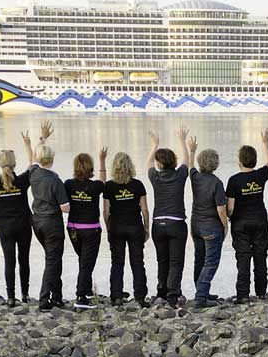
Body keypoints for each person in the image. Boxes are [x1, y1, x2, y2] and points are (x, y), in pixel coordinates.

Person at [24, 127, 71, 311]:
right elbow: (65, 208)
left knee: (53, 258)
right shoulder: (55, 180)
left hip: (37, 222)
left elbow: (33, 159)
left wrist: (41, 139)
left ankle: (57, 297)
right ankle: (44, 300)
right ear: (52, 160)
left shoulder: (33, 173)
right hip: (52, 224)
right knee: (52, 260)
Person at [226, 129, 268, 303]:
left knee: (243, 258)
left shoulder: (234, 180)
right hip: (260, 221)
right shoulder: (260, 175)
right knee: (261, 256)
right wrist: (265, 142)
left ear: (240, 162)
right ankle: (261, 292)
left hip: (241, 223)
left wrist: (229, 219)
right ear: (254, 161)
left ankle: (243, 294)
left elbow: (230, 208)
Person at [147, 128, 191, 307]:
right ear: (173, 162)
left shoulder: (155, 176)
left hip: (158, 223)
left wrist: (154, 145)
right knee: (176, 261)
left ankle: (161, 292)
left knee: (162, 259)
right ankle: (173, 294)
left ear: (159, 164)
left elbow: (148, 163)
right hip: (177, 223)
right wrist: (182, 141)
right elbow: (186, 160)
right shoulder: (180, 175)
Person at [64, 148, 108, 309]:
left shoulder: (68, 184)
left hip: (73, 229)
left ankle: (88, 290)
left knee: (83, 260)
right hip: (91, 230)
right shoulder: (95, 186)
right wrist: (102, 160)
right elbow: (104, 182)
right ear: (90, 168)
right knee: (86, 264)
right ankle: (80, 297)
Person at [104, 151, 149, 307]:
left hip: (116, 227)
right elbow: (144, 210)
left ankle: (116, 296)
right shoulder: (138, 185)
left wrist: (109, 228)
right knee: (137, 262)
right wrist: (146, 228)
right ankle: (140, 297)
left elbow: (106, 211)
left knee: (117, 262)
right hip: (135, 227)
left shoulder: (109, 186)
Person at [0, 147, 32, 306]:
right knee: (24, 260)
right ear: (14, 163)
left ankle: (11, 297)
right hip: (23, 225)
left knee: (9, 261)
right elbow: (32, 164)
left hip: (5, 227)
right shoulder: (21, 180)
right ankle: (26, 295)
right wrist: (36, 142)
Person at [187, 142, 228, 309]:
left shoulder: (195, 177)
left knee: (200, 259)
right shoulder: (216, 183)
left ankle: (201, 291)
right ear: (215, 164)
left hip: (196, 225)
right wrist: (225, 226)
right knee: (210, 262)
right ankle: (201, 296)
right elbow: (220, 209)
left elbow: (190, 166)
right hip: (211, 226)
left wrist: (192, 150)